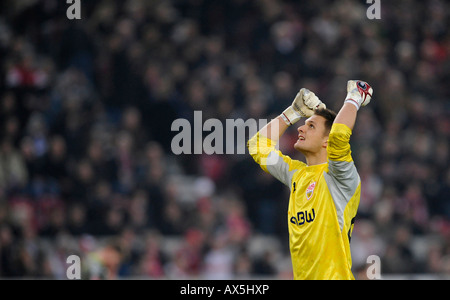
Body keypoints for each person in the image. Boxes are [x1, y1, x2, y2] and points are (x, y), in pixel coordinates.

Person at [247, 80, 373, 280]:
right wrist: (294, 112)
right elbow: (258, 146)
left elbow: (339, 137)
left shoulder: (341, 177)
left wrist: (354, 98)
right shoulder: (296, 175)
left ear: (326, 140)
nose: (300, 129)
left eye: (311, 126)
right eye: (303, 125)